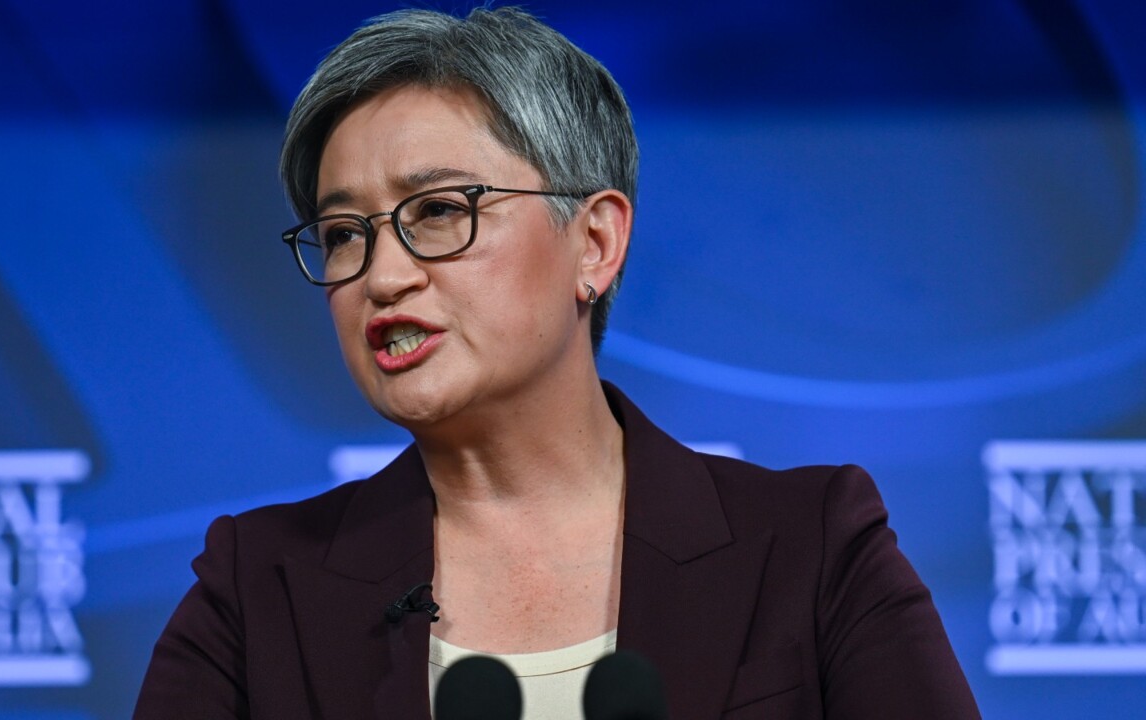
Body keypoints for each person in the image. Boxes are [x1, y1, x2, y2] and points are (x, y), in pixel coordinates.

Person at [134, 7, 980, 719]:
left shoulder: (811, 549)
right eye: (345, 234)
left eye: (438, 211)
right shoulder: (258, 590)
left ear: (597, 243)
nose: (383, 276)